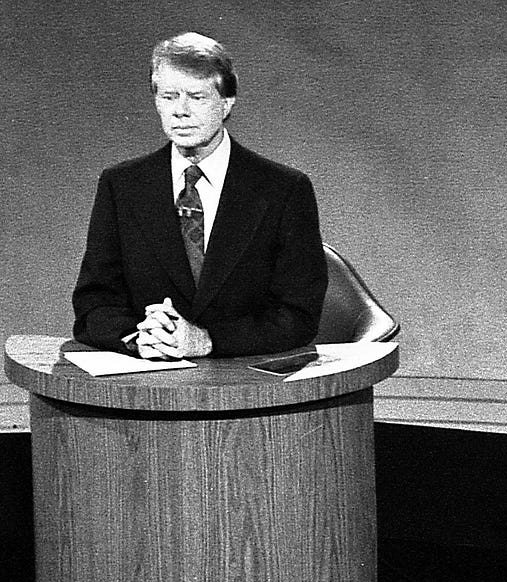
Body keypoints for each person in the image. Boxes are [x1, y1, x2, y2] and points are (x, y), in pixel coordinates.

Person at [73, 32, 326, 359]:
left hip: (247, 386)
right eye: (168, 96)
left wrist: (207, 340)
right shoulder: (120, 185)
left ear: (226, 102)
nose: (180, 111)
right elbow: (93, 305)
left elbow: (299, 316)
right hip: (149, 385)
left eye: (196, 96)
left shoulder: (284, 189)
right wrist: (136, 338)